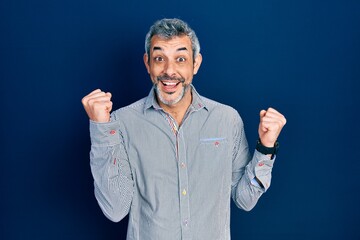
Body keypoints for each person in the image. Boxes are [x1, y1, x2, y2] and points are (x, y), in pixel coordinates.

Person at [81, 18, 286, 240]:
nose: (170, 71)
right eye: (160, 58)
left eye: (180, 59)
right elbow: (115, 209)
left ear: (195, 64)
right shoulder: (120, 123)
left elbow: (245, 199)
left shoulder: (227, 119)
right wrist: (101, 128)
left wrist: (266, 147)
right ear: (147, 63)